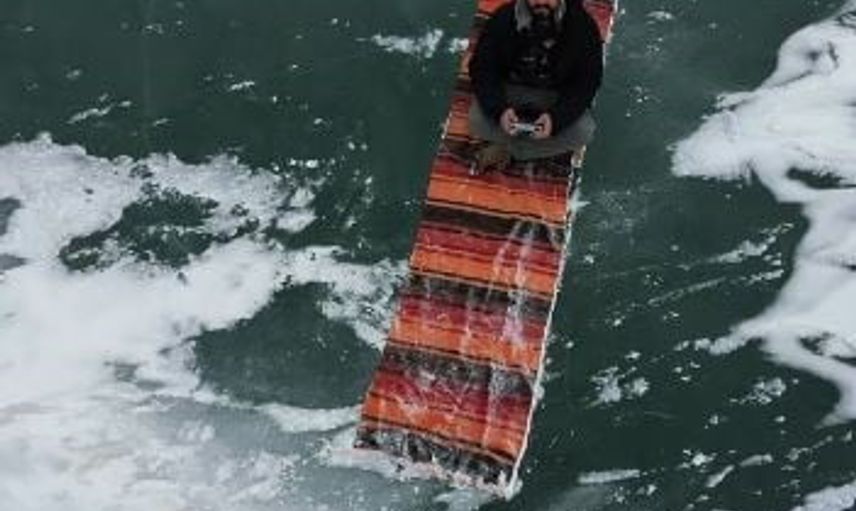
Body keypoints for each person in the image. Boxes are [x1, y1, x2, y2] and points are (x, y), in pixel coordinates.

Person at [468, 0, 603, 170]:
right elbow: (482, 68)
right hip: (511, 90)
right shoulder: (503, 18)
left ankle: (510, 150)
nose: (541, 2)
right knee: (476, 120)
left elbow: (587, 81)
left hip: (554, 96)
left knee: (584, 132)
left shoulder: (583, 26)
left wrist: (557, 119)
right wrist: (499, 110)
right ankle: (525, 146)